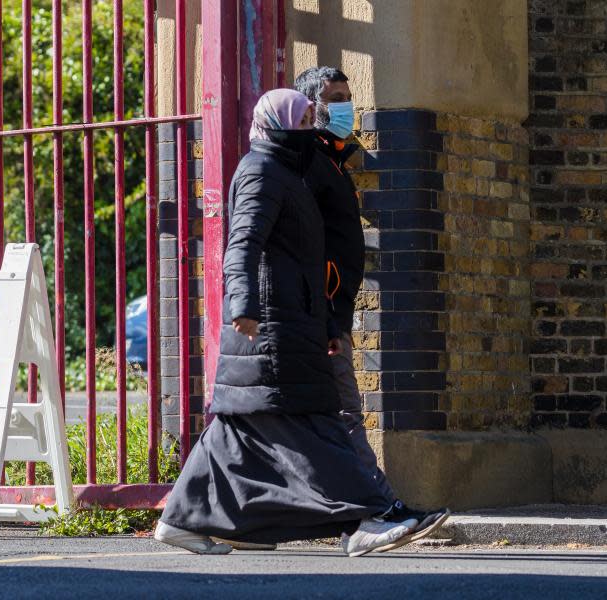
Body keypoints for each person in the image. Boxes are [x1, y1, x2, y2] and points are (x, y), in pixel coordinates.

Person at [153, 89, 418, 557]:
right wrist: (244, 305)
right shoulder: (261, 171)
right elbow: (243, 243)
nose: (310, 125)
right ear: (279, 124)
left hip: (293, 320)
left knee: (236, 432)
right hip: (270, 325)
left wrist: (329, 324)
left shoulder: (286, 170)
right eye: (302, 117)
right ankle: (365, 518)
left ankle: (179, 518)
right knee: (313, 422)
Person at [295, 66, 450, 546]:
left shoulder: (334, 159)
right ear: (309, 108)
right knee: (341, 412)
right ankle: (378, 508)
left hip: (326, 312)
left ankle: (208, 514)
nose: (344, 105)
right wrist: (324, 315)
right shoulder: (310, 164)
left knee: (275, 423)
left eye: (347, 95)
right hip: (319, 316)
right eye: (333, 98)